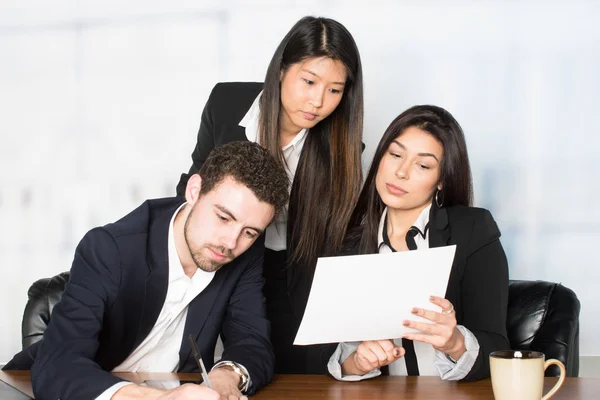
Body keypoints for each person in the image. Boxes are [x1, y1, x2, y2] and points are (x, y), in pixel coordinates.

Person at [4, 141, 289, 400]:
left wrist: (226, 377)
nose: (231, 243)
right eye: (223, 217)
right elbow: (59, 365)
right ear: (194, 191)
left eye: (249, 232)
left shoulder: (243, 252)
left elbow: (253, 341)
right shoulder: (109, 249)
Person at [176, 16, 364, 373]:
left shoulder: (342, 148)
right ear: (281, 70)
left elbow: (341, 238)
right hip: (222, 254)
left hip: (290, 271)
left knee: (285, 374)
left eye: (335, 90)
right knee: (191, 364)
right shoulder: (226, 102)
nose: (318, 101)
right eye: (309, 81)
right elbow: (194, 184)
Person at [326, 105, 509, 382]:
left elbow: (499, 349)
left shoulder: (472, 230)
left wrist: (455, 342)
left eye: (423, 165)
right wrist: (359, 362)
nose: (401, 172)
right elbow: (341, 355)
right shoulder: (350, 245)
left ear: (441, 180)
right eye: (395, 154)